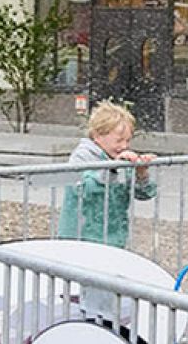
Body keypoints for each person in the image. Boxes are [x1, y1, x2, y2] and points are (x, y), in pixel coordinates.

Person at [58, 101, 157, 249]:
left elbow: (143, 194)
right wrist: (112, 169)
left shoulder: (122, 159)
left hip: (114, 238)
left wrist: (141, 173)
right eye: (119, 140)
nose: (124, 146)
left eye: (128, 140)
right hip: (81, 238)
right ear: (98, 136)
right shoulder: (82, 156)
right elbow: (86, 190)